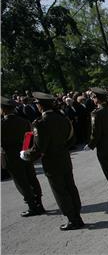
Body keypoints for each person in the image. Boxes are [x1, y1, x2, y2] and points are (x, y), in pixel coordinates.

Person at [21, 92, 84, 231]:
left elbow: (39, 148)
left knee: (60, 191)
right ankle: (77, 216)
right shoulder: (63, 118)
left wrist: (26, 155)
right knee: (70, 187)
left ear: (40, 106)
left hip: (51, 161)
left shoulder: (40, 123)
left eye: (37, 104)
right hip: (64, 157)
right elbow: (72, 139)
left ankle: (73, 219)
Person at [1, 96, 45, 217]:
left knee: (21, 181)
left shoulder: (2, 124)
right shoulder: (24, 121)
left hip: (11, 156)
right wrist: (24, 150)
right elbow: (29, 138)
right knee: (32, 178)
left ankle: (32, 206)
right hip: (25, 153)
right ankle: (39, 204)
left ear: (3, 109)